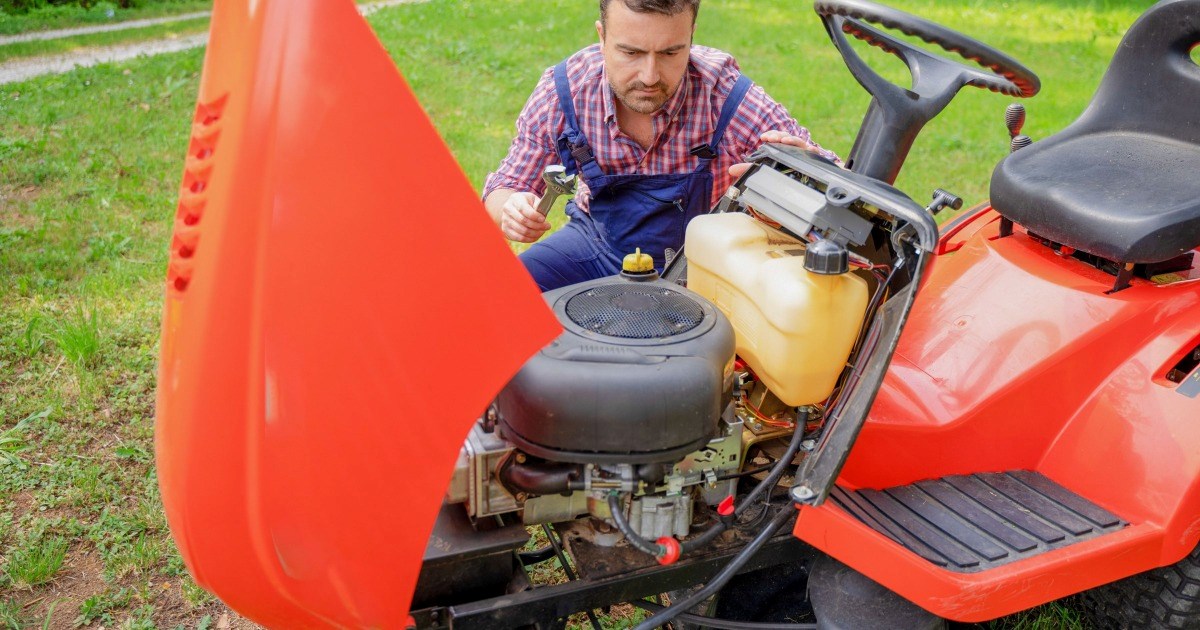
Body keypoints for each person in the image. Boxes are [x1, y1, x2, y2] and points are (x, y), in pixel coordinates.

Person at [483, 0, 837, 292]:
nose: (650, 76)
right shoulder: (565, 91)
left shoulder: (726, 96)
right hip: (596, 246)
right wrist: (512, 209)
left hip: (699, 267)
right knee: (504, 295)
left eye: (670, 52)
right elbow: (504, 187)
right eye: (631, 52)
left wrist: (803, 169)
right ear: (602, 36)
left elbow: (838, 186)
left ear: (691, 36)